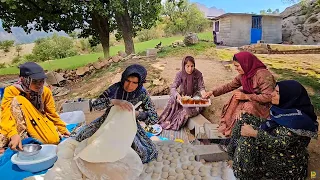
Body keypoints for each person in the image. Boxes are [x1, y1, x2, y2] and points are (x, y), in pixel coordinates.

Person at [227, 80, 318, 179]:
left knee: (247, 140)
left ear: (288, 97)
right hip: (274, 144)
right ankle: (233, 156)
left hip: (285, 163)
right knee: (244, 119)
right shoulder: (285, 109)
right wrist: (246, 116)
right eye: (274, 90)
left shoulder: (296, 121)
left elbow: (280, 144)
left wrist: (255, 133)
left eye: (277, 93)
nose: (272, 94)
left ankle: (244, 174)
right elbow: (271, 124)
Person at [73, 64, 158, 164]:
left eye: (134, 82)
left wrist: (137, 114)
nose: (130, 86)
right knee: (82, 139)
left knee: (144, 153)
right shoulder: (114, 89)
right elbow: (95, 105)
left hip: (128, 125)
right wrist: (114, 101)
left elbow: (154, 118)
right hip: (108, 122)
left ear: (140, 83)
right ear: (123, 78)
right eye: (127, 81)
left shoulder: (142, 93)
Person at [0, 62, 70, 152]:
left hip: (36, 121)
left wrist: (62, 128)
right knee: (18, 100)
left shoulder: (45, 92)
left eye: (41, 81)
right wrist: (13, 134)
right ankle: (22, 138)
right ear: (24, 79)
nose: (39, 85)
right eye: (35, 81)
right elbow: (6, 114)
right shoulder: (11, 91)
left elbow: (51, 113)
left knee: (53, 139)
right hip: (17, 124)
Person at [205, 51, 276, 137]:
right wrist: (212, 92)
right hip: (252, 101)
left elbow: (269, 96)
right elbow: (230, 86)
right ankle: (226, 125)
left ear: (246, 63)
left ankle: (235, 131)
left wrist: (246, 96)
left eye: (237, 66)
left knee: (247, 106)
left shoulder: (263, 75)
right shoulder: (244, 75)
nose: (236, 68)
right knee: (236, 95)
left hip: (264, 107)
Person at [158, 56, 206, 130]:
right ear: (184, 66)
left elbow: (201, 87)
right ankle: (167, 119)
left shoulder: (198, 74)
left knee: (188, 109)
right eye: (187, 66)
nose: (190, 69)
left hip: (194, 98)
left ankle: (178, 122)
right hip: (182, 97)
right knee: (172, 100)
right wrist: (177, 96)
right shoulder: (180, 74)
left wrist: (203, 93)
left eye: (192, 66)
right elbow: (173, 87)